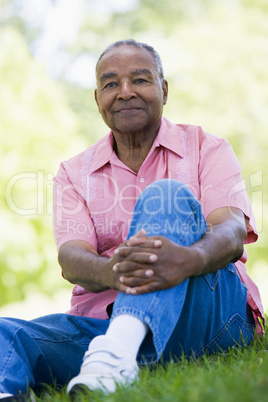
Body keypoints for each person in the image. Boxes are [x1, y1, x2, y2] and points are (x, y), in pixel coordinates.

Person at [0, 39, 264, 401]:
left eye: (139, 80)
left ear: (164, 90)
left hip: (204, 316)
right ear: (97, 100)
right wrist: (114, 273)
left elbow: (232, 230)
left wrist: (190, 259)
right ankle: (109, 354)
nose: (124, 92)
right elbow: (71, 257)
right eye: (110, 84)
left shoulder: (207, 147)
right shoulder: (73, 173)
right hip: (102, 327)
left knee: (166, 196)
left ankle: (114, 358)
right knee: (6, 334)